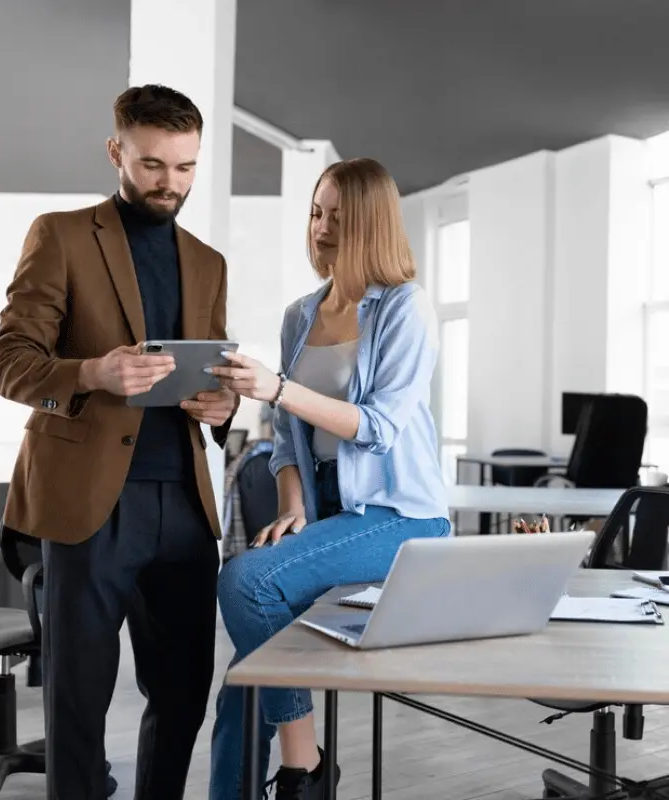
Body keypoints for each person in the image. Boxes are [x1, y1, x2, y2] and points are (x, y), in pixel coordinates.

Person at [0, 84, 237, 800]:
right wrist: (93, 371)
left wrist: (220, 408)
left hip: (185, 504)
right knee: (79, 696)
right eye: (154, 165)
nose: (171, 184)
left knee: (184, 688)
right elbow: (9, 362)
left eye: (186, 167)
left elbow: (212, 380)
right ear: (116, 151)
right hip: (89, 504)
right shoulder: (61, 234)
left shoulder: (209, 261)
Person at [207, 157, 451, 800]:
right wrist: (294, 505)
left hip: (401, 518)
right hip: (330, 517)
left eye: (338, 217)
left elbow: (378, 428)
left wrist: (282, 387)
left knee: (245, 579)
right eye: (316, 212)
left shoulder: (404, 308)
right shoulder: (300, 314)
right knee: (243, 681)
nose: (321, 227)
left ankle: (304, 764)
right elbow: (284, 436)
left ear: (371, 224)